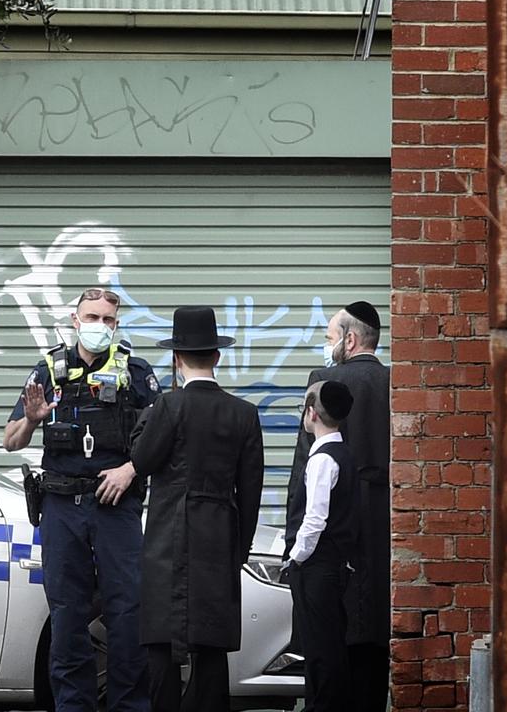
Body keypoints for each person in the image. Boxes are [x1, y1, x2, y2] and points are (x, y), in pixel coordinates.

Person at [3, 287, 161, 712]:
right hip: (61, 507)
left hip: (116, 508)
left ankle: (129, 706)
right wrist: (33, 420)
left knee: (127, 612)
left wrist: (131, 470)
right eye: (91, 318)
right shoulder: (49, 371)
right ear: (75, 321)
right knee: (68, 613)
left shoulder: (137, 373)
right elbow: (10, 441)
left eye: (108, 320)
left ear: (117, 324)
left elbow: (162, 441)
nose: (100, 327)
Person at [129, 306, 265, 712]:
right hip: (219, 539)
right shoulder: (244, 414)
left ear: (176, 358)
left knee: (160, 643)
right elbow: (252, 491)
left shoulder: (169, 408)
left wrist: (146, 418)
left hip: (169, 538)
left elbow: (142, 458)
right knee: (212, 648)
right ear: (217, 357)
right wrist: (239, 548)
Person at [285, 300, 391, 712]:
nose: (327, 346)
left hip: (330, 538)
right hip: (381, 529)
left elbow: (302, 470)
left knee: (326, 651)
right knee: (373, 647)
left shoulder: (323, 382)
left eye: (330, 338)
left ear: (349, 339)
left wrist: (296, 543)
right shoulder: (392, 383)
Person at [284, 380, 357, 712]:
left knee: (319, 651)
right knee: (328, 647)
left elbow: (314, 519)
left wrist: (296, 557)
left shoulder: (321, 460)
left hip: (316, 568)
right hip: (335, 565)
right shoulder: (344, 453)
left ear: (311, 413)